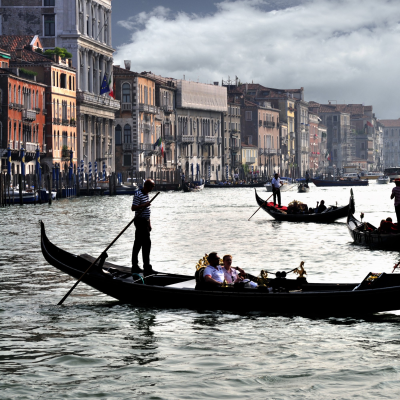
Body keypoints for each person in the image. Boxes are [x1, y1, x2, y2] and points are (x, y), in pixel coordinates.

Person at [131, 179, 156, 276]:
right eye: (152, 186)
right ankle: (137, 266)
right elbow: (133, 208)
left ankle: (145, 266)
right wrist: (144, 205)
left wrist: (149, 223)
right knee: (140, 243)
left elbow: (147, 211)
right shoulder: (138, 194)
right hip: (139, 221)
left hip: (145, 222)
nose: (152, 188)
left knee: (145, 244)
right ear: (147, 186)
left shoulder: (146, 194)